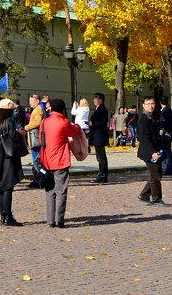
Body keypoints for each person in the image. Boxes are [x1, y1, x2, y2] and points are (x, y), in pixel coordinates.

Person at [41, 98, 82, 227]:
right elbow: (74, 130)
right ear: (63, 109)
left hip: (46, 161)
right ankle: (60, 220)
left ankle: (50, 220)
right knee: (61, 191)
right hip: (60, 161)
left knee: (50, 191)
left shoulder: (44, 122)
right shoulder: (63, 122)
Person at [0, 98, 24, 226]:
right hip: (8, 158)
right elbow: (13, 137)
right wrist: (19, 134)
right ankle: (8, 216)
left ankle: (3, 216)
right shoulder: (7, 122)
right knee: (8, 187)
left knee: (1, 187)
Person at [136, 96, 167, 205]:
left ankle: (144, 195)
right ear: (143, 105)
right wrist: (152, 152)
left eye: (152, 104)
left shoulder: (151, 116)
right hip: (149, 152)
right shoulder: (143, 118)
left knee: (157, 174)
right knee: (156, 175)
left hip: (155, 150)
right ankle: (156, 199)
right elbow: (144, 138)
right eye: (148, 104)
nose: (151, 106)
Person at [24, 93, 46, 188]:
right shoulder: (36, 109)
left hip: (37, 139)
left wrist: (26, 127)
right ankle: (38, 179)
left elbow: (37, 122)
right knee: (37, 161)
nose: (30, 103)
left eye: (32, 101)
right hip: (35, 139)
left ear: (37, 101)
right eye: (29, 101)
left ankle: (38, 181)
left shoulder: (38, 109)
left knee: (36, 161)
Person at [89, 93, 110, 183]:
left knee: (101, 157)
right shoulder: (99, 109)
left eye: (95, 99)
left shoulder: (102, 109)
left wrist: (92, 123)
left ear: (100, 100)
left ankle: (102, 176)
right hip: (97, 136)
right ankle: (102, 175)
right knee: (100, 157)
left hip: (99, 136)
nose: (94, 100)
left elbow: (103, 122)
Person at [157, 96, 172, 175]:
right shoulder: (170, 111)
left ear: (160, 102)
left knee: (166, 151)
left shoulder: (165, 111)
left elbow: (163, 123)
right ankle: (166, 168)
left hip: (165, 134)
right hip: (169, 133)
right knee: (166, 150)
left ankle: (166, 168)